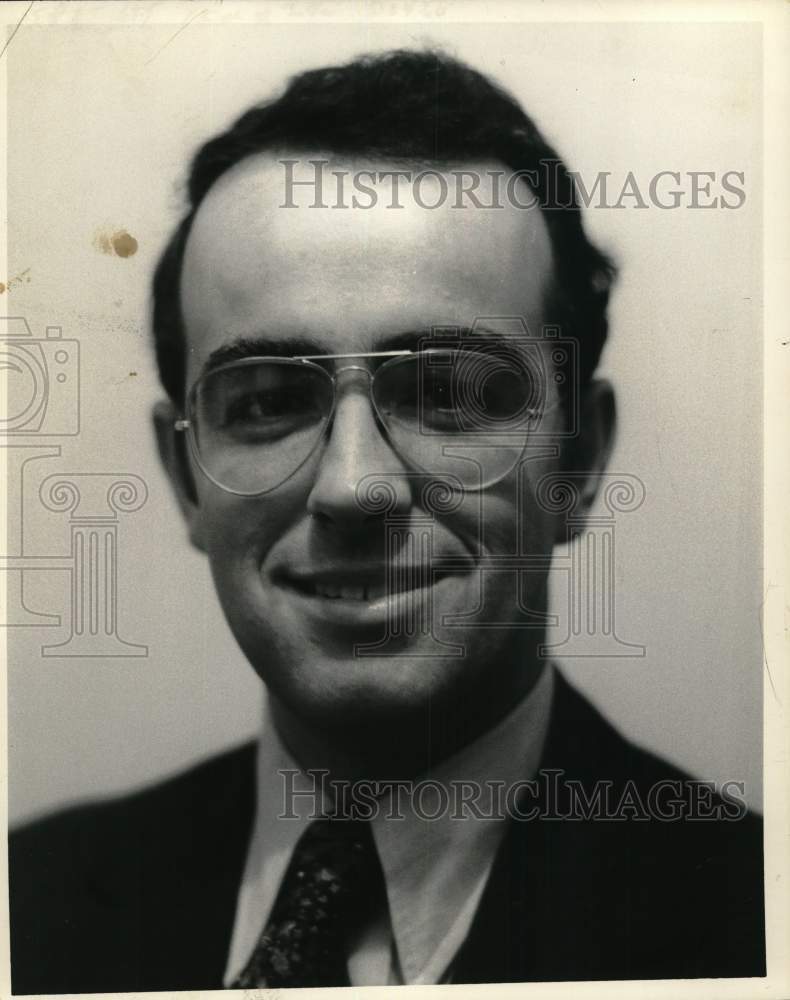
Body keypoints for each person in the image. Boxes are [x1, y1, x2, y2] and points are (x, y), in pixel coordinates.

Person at [9, 49, 764, 992]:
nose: (353, 487)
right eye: (268, 398)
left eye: (448, 391)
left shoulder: (752, 922)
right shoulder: (30, 907)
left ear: (578, 460)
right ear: (184, 473)